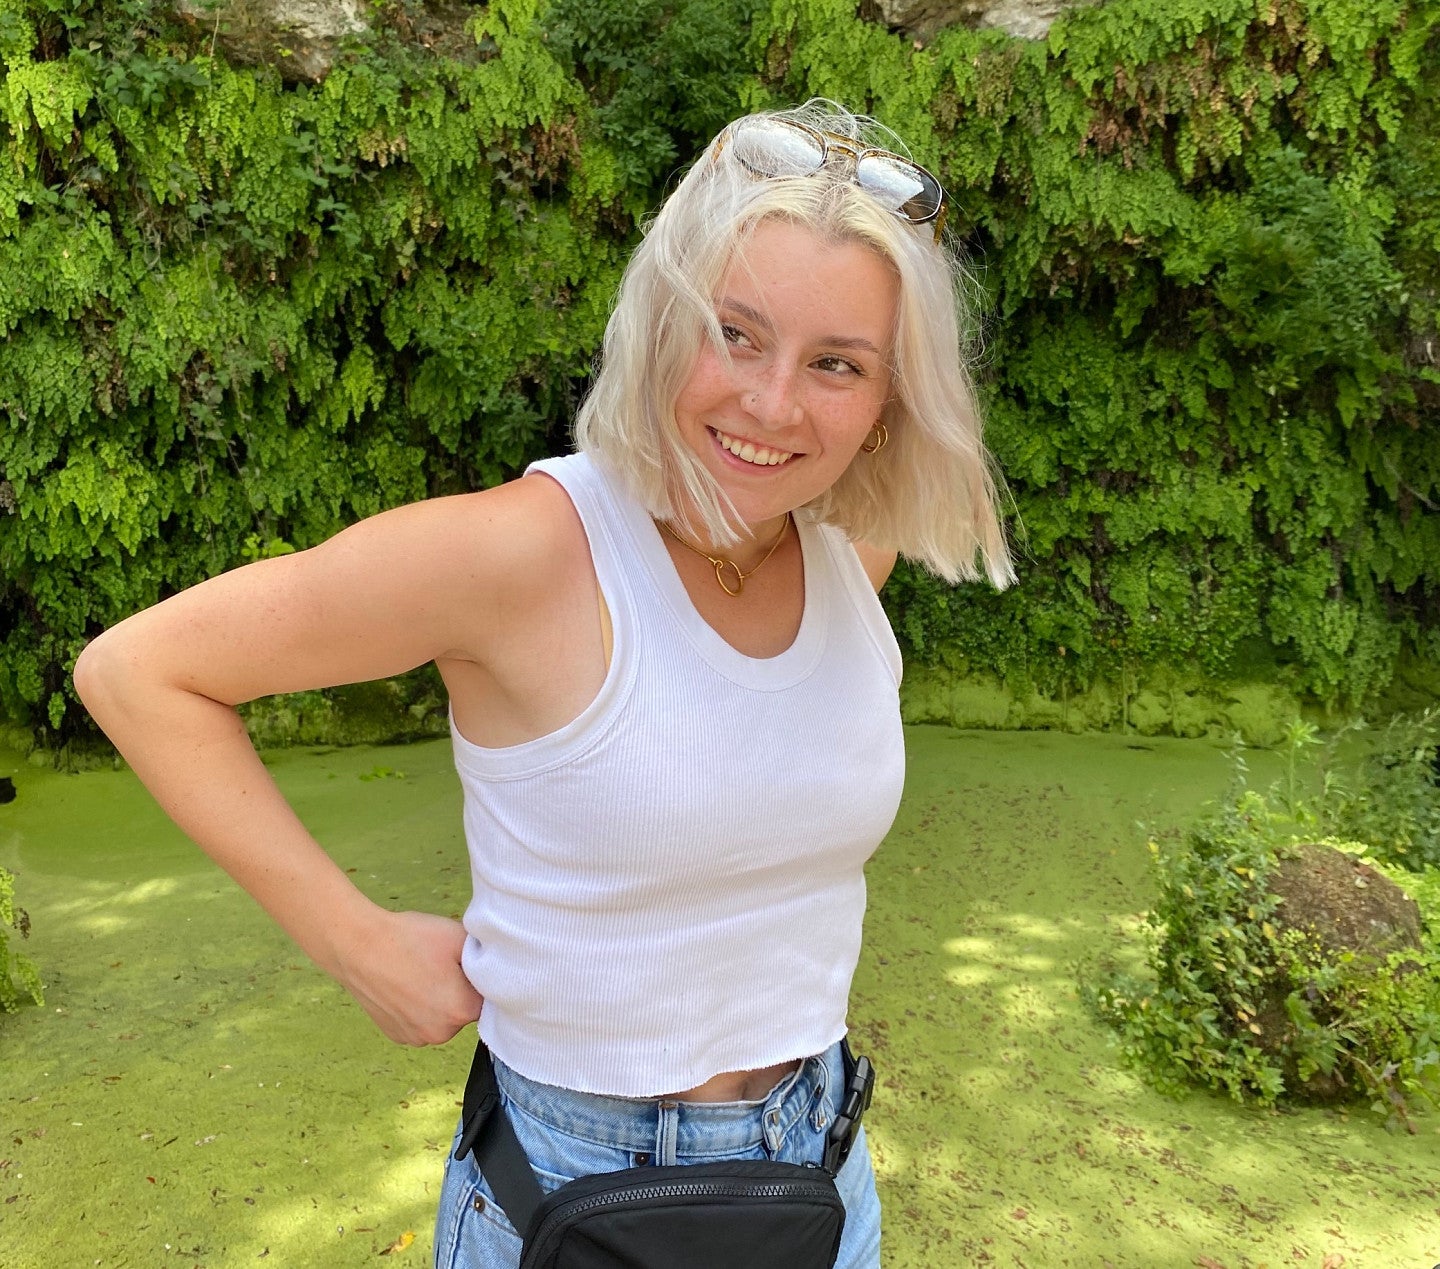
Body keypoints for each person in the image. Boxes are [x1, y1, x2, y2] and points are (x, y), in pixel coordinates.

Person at [74, 99, 1012, 1268]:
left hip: (819, 1172)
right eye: (735, 333)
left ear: (888, 403)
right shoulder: (522, 554)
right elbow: (140, 671)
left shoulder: (846, 558)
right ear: (667, 318)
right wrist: (351, 940)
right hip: (568, 1191)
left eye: (838, 365)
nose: (773, 405)